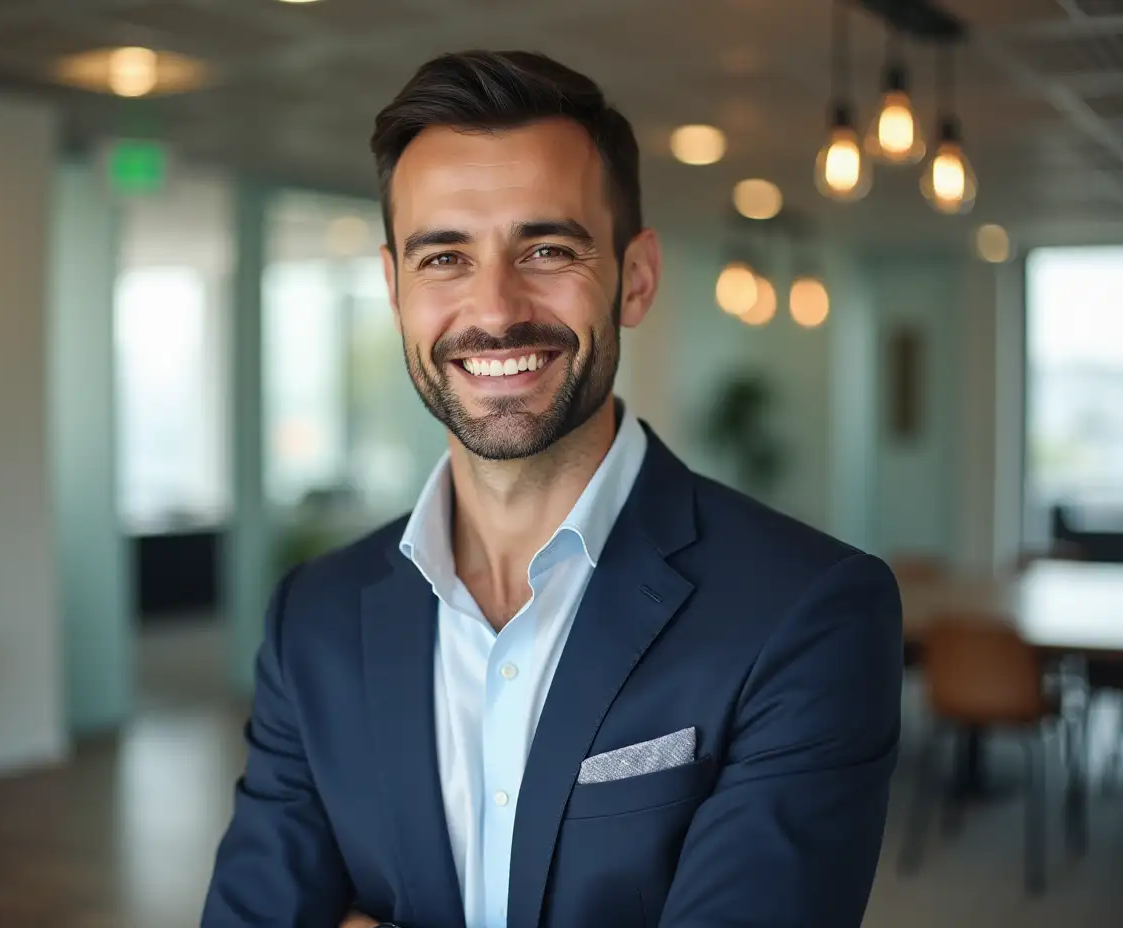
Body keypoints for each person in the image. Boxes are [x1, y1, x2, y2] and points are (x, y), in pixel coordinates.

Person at [202, 50, 903, 928]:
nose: (495, 310)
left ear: (635, 278)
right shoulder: (314, 618)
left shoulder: (807, 611)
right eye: (445, 257)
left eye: (545, 248)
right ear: (393, 289)